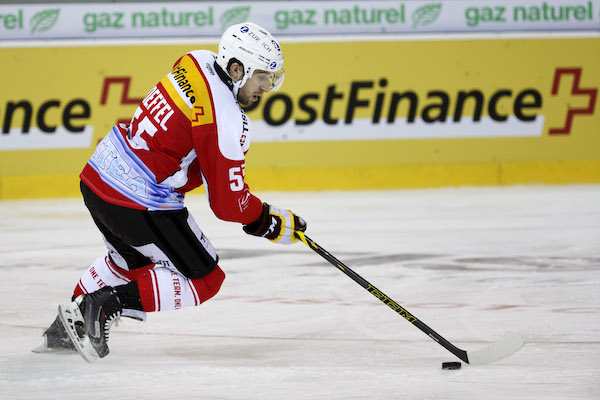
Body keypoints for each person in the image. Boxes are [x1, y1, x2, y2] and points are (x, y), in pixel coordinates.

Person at [33, 22, 306, 362]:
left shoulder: (198, 59)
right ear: (236, 69)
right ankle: (103, 305)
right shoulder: (224, 118)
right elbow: (226, 204)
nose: (266, 87)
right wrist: (266, 220)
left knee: (125, 263)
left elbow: (188, 133)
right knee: (206, 279)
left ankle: (63, 331)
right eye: (262, 77)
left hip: (99, 175)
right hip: (138, 198)